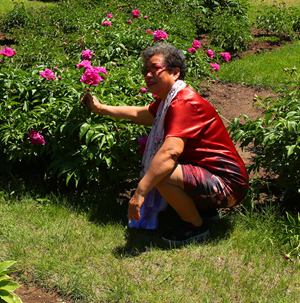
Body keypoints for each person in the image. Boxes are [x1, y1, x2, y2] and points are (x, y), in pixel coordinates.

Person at [82, 43, 248, 247]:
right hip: (221, 179)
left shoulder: (183, 103)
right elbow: (140, 113)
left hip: (228, 187)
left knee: (162, 172)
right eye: (146, 70)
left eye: (155, 69)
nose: (148, 75)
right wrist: (101, 109)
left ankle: (195, 225)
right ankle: (207, 212)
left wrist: (139, 193)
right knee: (163, 169)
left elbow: (170, 153)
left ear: (175, 72)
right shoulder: (170, 101)